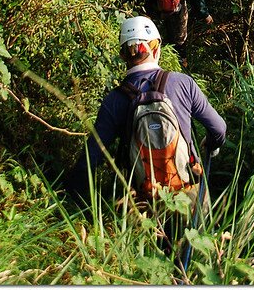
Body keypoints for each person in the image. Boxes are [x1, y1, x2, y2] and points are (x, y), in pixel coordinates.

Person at [65, 16, 226, 209]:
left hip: (141, 201)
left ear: (123, 55)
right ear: (157, 48)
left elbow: (91, 158)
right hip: (188, 196)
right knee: (198, 233)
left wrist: (69, 196)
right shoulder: (183, 84)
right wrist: (211, 144)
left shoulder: (114, 100)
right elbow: (219, 129)